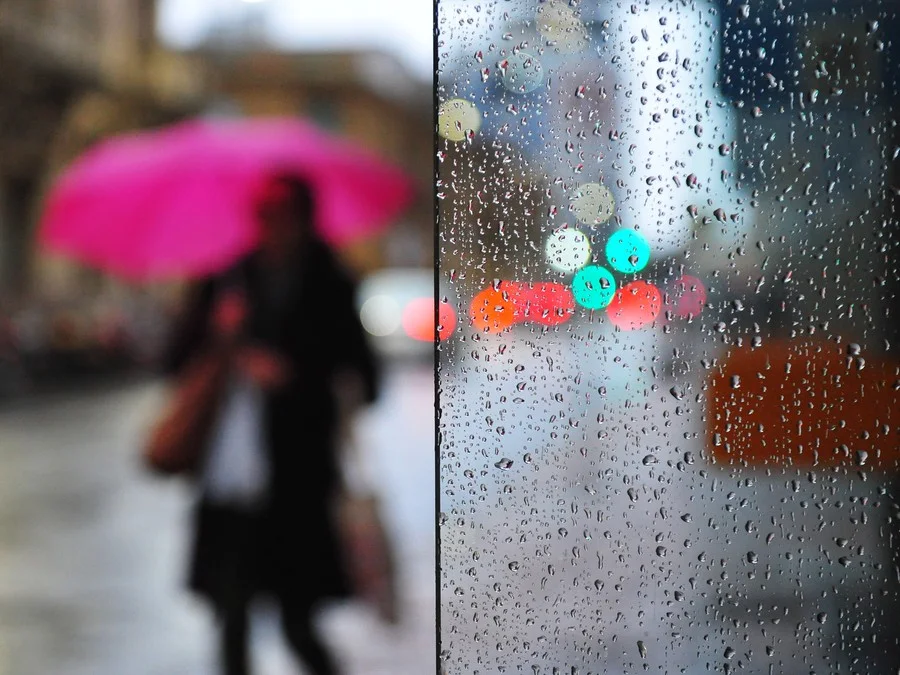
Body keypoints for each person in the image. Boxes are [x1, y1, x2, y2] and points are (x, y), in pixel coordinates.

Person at [162, 174, 380, 675]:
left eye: (283, 213)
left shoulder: (331, 281)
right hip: (231, 482)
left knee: (299, 628)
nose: (271, 225)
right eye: (262, 213)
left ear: (304, 217)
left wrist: (295, 377)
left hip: (298, 480)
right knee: (231, 622)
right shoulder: (225, 279)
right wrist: (221, 337)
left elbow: (366, 381)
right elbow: (174, 361)